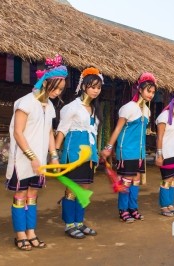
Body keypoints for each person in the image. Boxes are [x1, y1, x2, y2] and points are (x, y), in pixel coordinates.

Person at [5, 55, 67, 250]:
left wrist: (54, 156)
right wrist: (32, 157)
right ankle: (20, 234)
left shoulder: (49, 107)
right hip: (22, 161)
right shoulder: (25, 103)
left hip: (40, 161)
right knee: (20, 195)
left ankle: (31, 231)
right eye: (55, 88)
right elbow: (17, 132)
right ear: (45, 82)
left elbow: (49, 131)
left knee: (33, 195)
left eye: (61, 89)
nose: (58, 92)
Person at [101, 72, 157, 222]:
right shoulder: (128, 108)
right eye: (148, 91)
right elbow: (118, 129)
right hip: (126, 150)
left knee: (136, 178)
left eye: (153, 92)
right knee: (126, 179)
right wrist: (108, 147)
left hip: (139, 153)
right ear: (140, 89)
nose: (151, 95)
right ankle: (123, 210)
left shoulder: (147, 111)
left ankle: (133, 208)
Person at [55, 67, 103, 239]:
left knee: (84, 188)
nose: (96, 90)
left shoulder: (95, 109)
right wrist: (54, 155)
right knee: (72, 190)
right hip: (74, 154)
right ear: (83, 86)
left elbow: (94, 133)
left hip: (90, 155)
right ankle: (69, 224)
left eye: (98, 87)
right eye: (92, 86)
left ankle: (79, 222)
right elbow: (61, 130)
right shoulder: (71, 107)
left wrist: (95, 156)